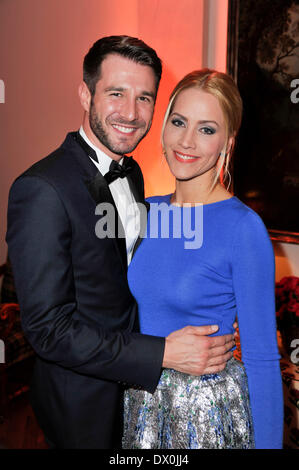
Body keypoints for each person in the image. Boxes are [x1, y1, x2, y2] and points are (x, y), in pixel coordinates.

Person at [6, 37, 235, 449]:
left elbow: (128, 281)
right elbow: (48, 331)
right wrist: (160, 353)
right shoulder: (41, 189)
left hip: (140, 396)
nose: (131, 113)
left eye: (144, 98)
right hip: (83, 404)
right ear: (85, 93)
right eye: (116, 94)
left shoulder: (132, 174)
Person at [122, 69, 283, 449]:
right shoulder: (142, 213)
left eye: (206, 129)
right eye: (179, 122)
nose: (187, 140)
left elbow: (261, 358)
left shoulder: (243, 228)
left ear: (227, 141)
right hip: (141, 406)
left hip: (205, 420)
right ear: (163, 127)